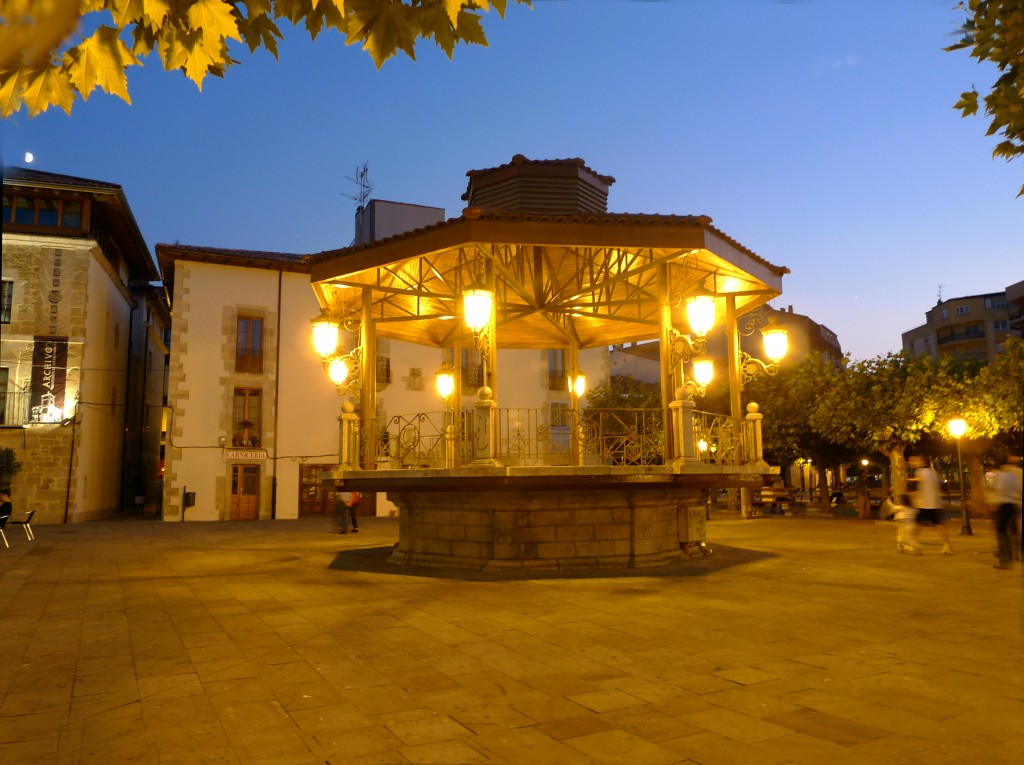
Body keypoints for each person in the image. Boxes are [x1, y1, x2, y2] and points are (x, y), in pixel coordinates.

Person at [908, 455, 952, 554]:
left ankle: (914, 543)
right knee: (939, 525)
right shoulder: (933, 472)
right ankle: (947, 545)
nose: (912, 462)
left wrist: (914, 500)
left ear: (923, 462)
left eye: (915, 460)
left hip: (925, 503)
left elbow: (918, 488)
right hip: (936, 503)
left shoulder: (919, 472)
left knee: (917, 524)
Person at [990, 450, 1022, 570]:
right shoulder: (1012, 476)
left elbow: (996, 489)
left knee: (1001, 533)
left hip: (1003, 504)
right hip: (1013, 504)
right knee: (1013, 530)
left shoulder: (999, 475)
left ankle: (1005, 561)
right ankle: (1015, 555)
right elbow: (1019, 489)